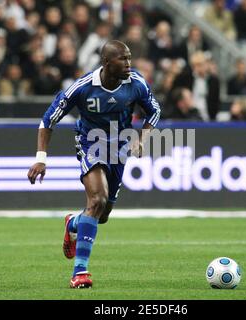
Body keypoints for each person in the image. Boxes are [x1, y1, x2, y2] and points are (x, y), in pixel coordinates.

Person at [27, 40, 161, 289]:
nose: (129, 63)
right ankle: (80, 272)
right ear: (107, 63)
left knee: (103, 214)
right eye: (123, 59)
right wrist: (41, 159)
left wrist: (143, 139)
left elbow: (154, 111)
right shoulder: (83, 87)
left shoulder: (136, 83)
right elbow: (48, 120)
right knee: (97, 200)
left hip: (120, 146)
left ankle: (74, 223)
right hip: (91, 143)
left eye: (130, 57)